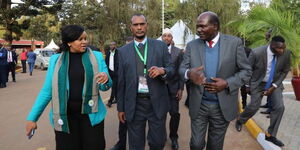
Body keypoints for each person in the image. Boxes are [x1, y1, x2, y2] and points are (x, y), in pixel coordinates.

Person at [25, 25, 112, 150]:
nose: (85, 42)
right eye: (80, 39)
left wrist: (106, 79)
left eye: (85, 38)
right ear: (69, 42)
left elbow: (105, 87)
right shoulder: (56, 60)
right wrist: (32, 118)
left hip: (91, 116)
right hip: (64, 116)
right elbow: (47, 91)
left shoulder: (97, 57)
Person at [179, 11, 251, 150]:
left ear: (215, 26)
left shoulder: (234, 43)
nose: (199, 30)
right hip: (199, 105)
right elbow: (182, 69)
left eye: (203, 26)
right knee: (196, 144)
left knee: (215, 146)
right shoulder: (192, 45)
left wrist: (227, 83)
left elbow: (246, 71)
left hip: (222, 106)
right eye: (197, 26)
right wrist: (189, 74)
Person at [117, 14, 174, 150]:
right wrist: (121, 108)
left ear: (147, 25)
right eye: (136, 25)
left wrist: (163, 71)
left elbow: (172, 69)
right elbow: (121, 82)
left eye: (142, 24)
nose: (139, 27)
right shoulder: (123, 51)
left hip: (157, 103)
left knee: (158, 143)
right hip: (135, 104)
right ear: (131, 28)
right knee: (136, 145)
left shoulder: (160, 46)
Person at [236, 36, 290, 147]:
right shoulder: (257, 53)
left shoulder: (286, 53)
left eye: (283, 48)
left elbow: (285, 71)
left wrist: (274, 86)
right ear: (272, 45)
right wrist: (247, 85)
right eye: (279, 48)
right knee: (254, 106)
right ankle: (240, 120)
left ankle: (270, 135)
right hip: (258, 82)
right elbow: (247, 69)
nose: (282, 51)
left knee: (279, 107)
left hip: (274, 83)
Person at [161, 28, 184, 150]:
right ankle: (162, 135)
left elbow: (181, 71)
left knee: (174, 114)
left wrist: (181, 88)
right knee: (160, 114)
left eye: (168, 36)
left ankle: (174, 137)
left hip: (174, 89)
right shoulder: (156, 50)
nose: (166, 38)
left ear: (172, 38)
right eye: (164, 35)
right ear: (161, 37)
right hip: (159, 89)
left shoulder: (178, 52)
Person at [110, 37, 134, 150]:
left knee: (135, 123)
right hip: (123, 92)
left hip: (136, 94)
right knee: (122, 122)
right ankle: (121, 144)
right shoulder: (121, 53)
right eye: (126, 45)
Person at [105, 41, 118, 107]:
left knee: (114, 87)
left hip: (116, 73)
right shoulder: (108, 53)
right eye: (110, 45)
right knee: (114, 86)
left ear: (115, 45)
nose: (111, 46)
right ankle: (117, 99)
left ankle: (110, 101)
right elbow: (106, 62)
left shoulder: (118, 52)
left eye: (113, 45)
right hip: (110, 72)